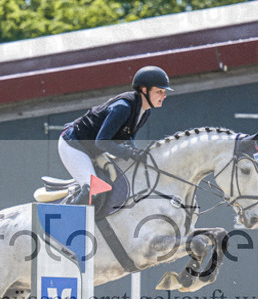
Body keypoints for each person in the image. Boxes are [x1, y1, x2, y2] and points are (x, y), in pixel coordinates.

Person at [58, 65, 173, 203]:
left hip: (94, 150)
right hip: (74, 144)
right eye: (159, 91)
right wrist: (129, 154)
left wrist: (135, 152)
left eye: (164, 91)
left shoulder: (145, 112)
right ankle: (65, 222)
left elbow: (128, 138)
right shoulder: (122, 108)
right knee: (93, 191)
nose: (164, 95)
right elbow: (102, 141)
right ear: (144, 90)